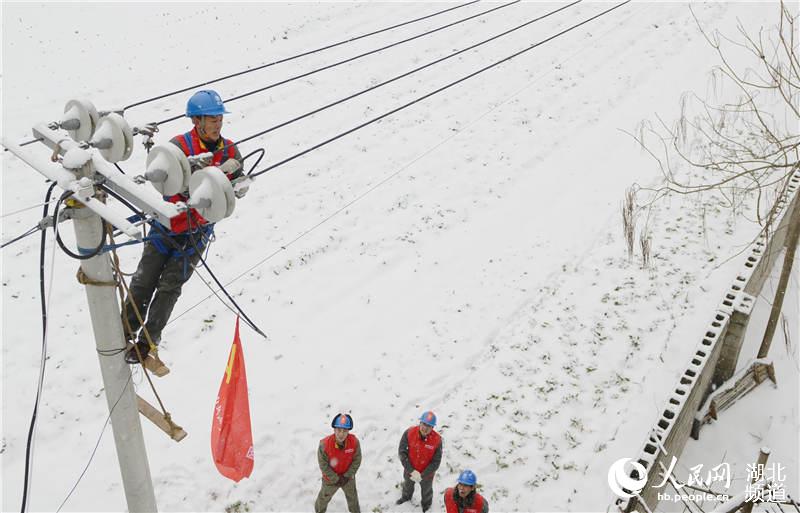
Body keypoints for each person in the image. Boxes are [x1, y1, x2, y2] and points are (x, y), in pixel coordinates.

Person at [123, 89, 245, 363]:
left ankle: (147, 342)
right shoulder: (177, 148)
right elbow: (167, 187)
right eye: (211, 119)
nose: (217, 124)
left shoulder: (231, 150)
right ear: (196, 121)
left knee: (169, 287)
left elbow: (234, 191)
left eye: (219, 119)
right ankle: (124, 329)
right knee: (144, 279)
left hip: (196, 234)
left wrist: (235, 178)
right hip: (166, 225)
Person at [396, 411, 443, 512]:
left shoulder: (437, 440)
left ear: (433, 428)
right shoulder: (409, 433)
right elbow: (402, 452)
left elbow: (436, 462)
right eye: (424, 424)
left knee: (427, 491)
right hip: (410, 470)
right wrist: (411, 470)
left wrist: (423, 474)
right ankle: (406, 497)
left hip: (427, 474)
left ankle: (426, 505)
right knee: (407, 486)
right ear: (420, 423)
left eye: (429, 426)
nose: (425, 428)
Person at [315, 413, 362, 513]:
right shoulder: (324, 444)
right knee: (323, 498)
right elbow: (323, 465)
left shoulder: (354, 442)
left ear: (348, 431)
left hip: (348, 478)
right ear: (334, 429)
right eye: (339, 430)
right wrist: (335, 478)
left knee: (353, 498)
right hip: (330, 479)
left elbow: (357, 460)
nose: (341, 434)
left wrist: (347, 476)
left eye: (345, 431)